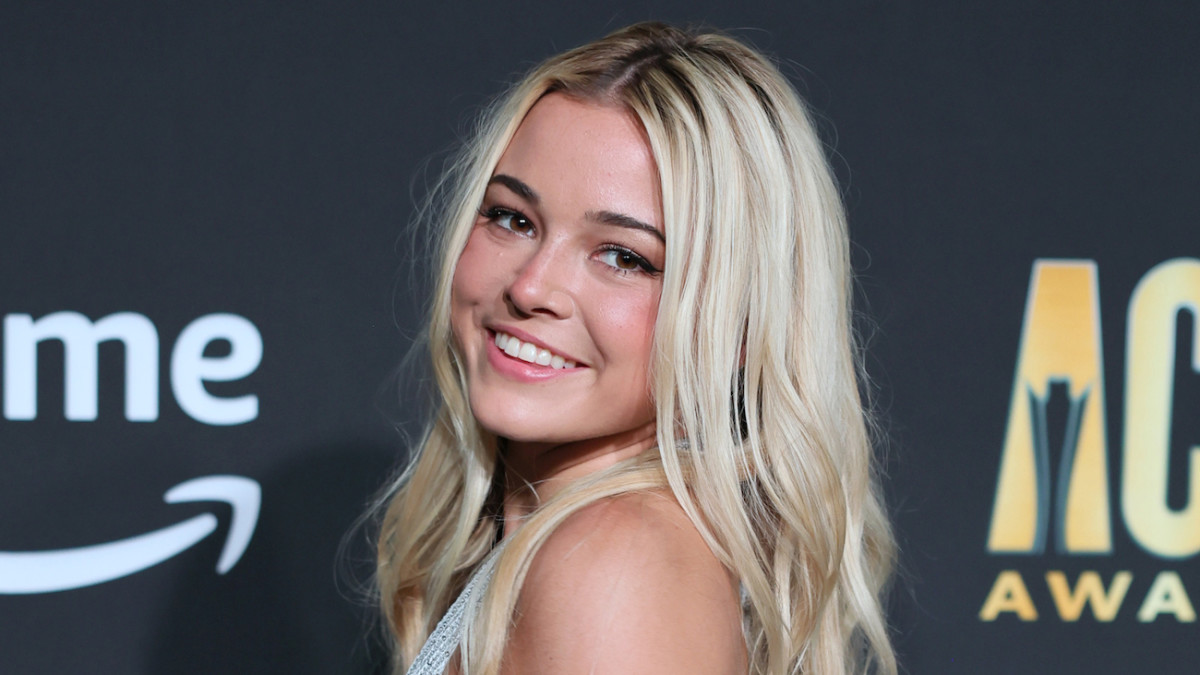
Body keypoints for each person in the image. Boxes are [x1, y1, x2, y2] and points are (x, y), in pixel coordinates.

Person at [374, 21, 897, 675]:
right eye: (513, 218)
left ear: (737, 324)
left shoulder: (612, 558)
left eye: (623, 256)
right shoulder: (565, 544)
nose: (532, 286)